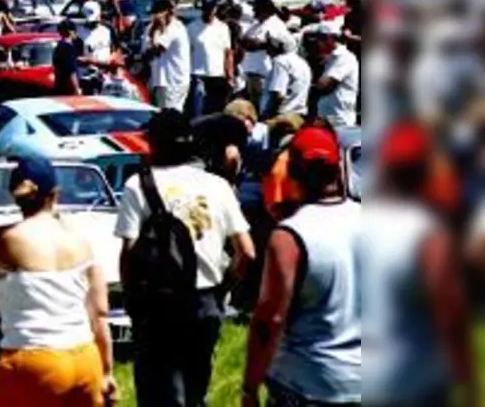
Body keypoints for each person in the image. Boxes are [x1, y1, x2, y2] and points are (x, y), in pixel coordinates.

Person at [115, 110, 254, 406]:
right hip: (205, 301)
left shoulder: (138, 186)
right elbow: (247, 252)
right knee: (195, 390)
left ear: (154, 144)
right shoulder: (217, 185)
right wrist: (222, 291)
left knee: (157, 392)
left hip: (156, 303)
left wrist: (131, 299)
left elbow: (128, 255)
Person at [241, 125, 366, 407]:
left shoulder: (289, 237)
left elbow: (270, 320)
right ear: (339, 167)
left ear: (293, 172)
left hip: (307, 382)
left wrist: (250, 387)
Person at [0, 157, 116, 407]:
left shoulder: (2, 239)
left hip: (32, 358)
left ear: (15, 195)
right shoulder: (80, 243)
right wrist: (107, 372)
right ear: (55, 194)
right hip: (85, 357)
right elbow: (99, 315)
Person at [359, 122, 475, 407]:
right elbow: (449, 311)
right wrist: (467, 379)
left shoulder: (359, 223)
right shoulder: (428, 233)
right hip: (413, 378)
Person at [145, 0, 192, 112]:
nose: (155, 16)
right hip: (160, 80)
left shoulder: (174, 28)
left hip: (171, 83)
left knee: (168, 118)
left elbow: (156, 49)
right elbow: (147, 53)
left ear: (168, 12)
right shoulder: (152, 27)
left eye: (158, 13)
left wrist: (156, 30)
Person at [189, 0, 234, 118]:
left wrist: (230, 75)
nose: (210, 12)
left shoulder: (223, 27)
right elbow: (187, 51)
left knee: (215, 109)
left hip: (218, 74)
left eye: (212, 9)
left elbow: (228, 52)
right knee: (198, 108)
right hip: (198, 73)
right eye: (207, 9)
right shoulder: (192, 27)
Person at [52, 20, 83, 96]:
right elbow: (71, 71)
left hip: (59, 85)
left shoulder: (59, 46)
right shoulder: (68, 48)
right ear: (70, 31)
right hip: (69, 89)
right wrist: (76, 88)